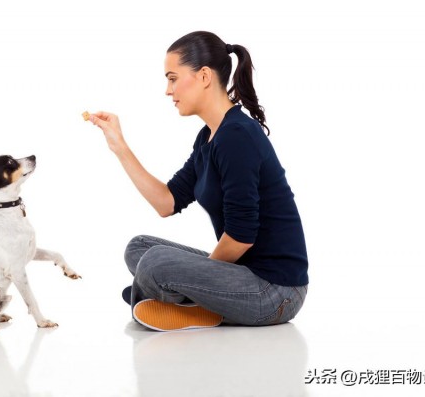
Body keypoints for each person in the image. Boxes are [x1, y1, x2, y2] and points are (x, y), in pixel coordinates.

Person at [88, 31, 308, 332]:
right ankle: (180, 302)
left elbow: (242, 236)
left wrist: (197, 273)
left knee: (155, 263)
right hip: (242, 274)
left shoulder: (237, 136)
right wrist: (119, 145)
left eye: (173, 78)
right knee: (139, 248)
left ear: (204, 76)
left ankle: (176, 302)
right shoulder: (209, 137)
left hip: (276, 292)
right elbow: (167, 202)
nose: (168, 90)